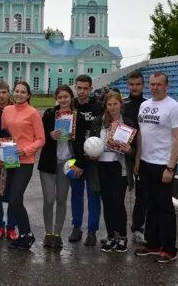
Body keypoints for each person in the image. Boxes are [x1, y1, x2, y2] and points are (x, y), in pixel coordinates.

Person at [134, 72, 178, 263]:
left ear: (167, 85)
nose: (154, 87)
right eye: (152, 84)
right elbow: (141, 135)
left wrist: (170, 168)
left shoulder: (174, 107)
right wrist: (138, 159)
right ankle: (153, 244)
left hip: (164, 164)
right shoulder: (144, 105)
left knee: (164, 206)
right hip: (146, 162)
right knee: (150, 205)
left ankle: (169, 249)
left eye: (159, 84)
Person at [39, 85, 87, 249]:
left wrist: (80, 164)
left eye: (66, 97)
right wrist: (49, 135)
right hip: (48, 162)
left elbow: (80, 142)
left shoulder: (78, 117)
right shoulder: (49, 114)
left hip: (67, 163)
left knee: (61, 198)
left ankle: (57, 234)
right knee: (49, 198)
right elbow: (40, 136)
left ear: (71, 98)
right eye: (60, 97)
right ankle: (47, 232)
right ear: (56, 98)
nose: (63, 100)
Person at [1, 81, 46, 250]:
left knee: (15, 198)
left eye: (23, 92)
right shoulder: (7, 110)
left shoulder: (33, 113)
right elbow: (4, 134)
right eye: (17, 91)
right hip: (9, 159)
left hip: (25, 161)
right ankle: (24, 235)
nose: (19, 94)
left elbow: (41, 139)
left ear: (28, 95)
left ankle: (27, 234)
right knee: (13, 199)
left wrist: (26, 150)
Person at [91, 91, 136, 253]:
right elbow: (92, 142)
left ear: (120, 104)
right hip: (103, 166)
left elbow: (134, 149)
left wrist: (129, 149)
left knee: (118, 203)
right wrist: (91, 151)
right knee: (108, 203)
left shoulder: (128, 122)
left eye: (115, 104)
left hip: (120, 167)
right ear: (106, 105)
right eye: (109, 104)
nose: (112, 107)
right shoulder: (98, 122)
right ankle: (111, 237)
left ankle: (122, 237)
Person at [69, 74, 103, 246]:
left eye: (85, 88)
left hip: (93, 158)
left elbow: (101, 133)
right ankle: (76, 227)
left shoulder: (98, 107)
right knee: (75, 194)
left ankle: (92, 230)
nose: (81, 91)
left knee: (93, 194)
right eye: (79, 87)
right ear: (75, 87)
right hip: (73, 157)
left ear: (90, 89)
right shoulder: (70, 104)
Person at [0, 81, 18, 241]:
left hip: (11, 151)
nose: (1, 95)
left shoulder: (16, 109)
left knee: (13, 192)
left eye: (4, 92)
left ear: (9, 93)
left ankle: (12, 227)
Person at [124, 70, 148, 245]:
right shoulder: (122, 105)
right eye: (131, 84)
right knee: (117, 194)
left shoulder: (148, 106)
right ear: (128, 85)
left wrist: (138, 159)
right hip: (122, 154)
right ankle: (116, 229)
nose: (134, 87)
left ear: (143, 85)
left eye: (138, 84)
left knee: (141, 194)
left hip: (142, 155)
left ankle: (138, 228)